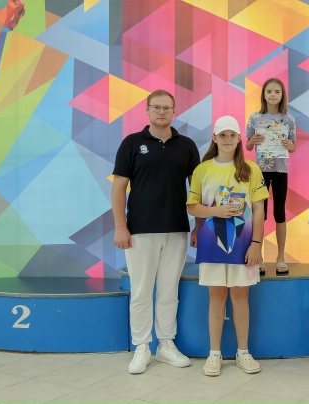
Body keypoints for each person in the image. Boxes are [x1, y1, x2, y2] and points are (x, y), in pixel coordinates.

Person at [112, 89, 200, 374]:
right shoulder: (132, 143)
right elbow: (118, 188)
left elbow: (198, 191)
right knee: (140, 291)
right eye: (157, 107)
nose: (162, 112)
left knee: (168, 290)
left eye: (167, 108)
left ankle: (165, 345)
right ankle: (141, 347)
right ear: (147, 110)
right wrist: (120, 227)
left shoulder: (187, 146)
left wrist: (198, 226)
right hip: (140, 231)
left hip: (176, 230)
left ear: (174, 111)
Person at [187, 116, 269, 377]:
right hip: (211, 245)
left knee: (241, 297)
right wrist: (216, 212)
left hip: (244, 246)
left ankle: (243, 352)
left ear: (238, 138)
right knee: (216, 296)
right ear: (214, 137)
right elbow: (193, 207)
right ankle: (214, 354)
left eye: (232, 135)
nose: (227, 139)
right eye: (222, 135)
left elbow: (259, 209)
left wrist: (256, 243)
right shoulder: (202, 170)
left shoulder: (251, 169)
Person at [245, 78, 296, 275]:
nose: (273, 95)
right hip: (260, 171)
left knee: (280, 213)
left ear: (282, 95)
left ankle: (281, 258)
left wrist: (290, 146)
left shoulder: (289, 119)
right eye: (269, 91)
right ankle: (258, 257)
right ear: (263, 95)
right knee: (260, 213)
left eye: (277, 91)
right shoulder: (255, 117)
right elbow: (248, 146)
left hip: (281, 170)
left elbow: (292, 146)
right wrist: (253, 141)